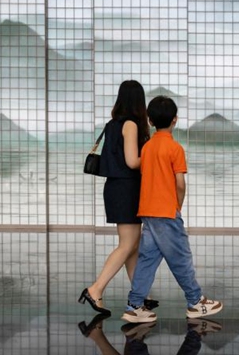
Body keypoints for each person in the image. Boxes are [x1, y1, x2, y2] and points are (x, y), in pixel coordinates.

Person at [121, 95, 223, 323]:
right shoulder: (175, 148)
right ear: (175, 120)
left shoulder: (147, 148)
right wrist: (177, 205)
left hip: (147, 212)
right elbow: (179, 183)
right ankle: (196, 302)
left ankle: (135, 306)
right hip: (166, 213)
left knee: (147, 259)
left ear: (150, 121)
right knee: (181, 257)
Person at [79, 80, 157, 315]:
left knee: (131, 247)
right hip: (127, 189)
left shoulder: (112, 124)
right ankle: (95, 289)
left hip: (116, 187)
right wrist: (154, 156)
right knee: (127, 245)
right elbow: (133, 161)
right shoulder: (131, 124)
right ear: (139, 101)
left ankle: (140, 295)